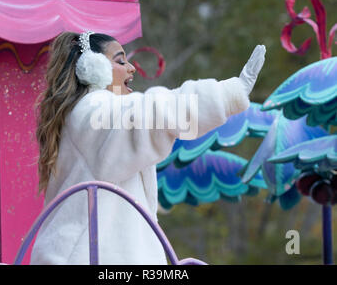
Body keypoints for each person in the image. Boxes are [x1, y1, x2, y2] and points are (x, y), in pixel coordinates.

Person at [30, 31, 266, 265]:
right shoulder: (92, 110)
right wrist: (226, 95)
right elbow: (153, 112)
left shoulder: (87, 116)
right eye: (120, 61)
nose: (132, 68)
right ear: (92, 68)